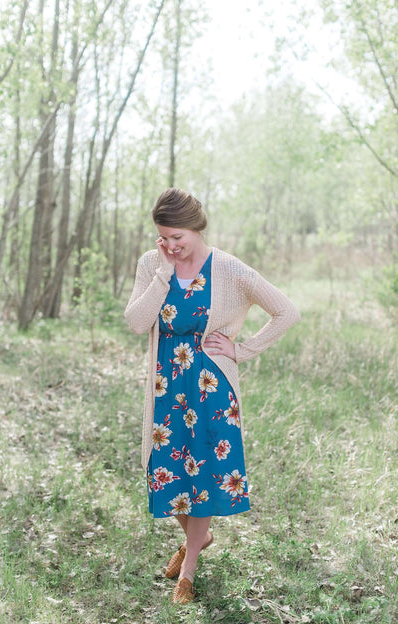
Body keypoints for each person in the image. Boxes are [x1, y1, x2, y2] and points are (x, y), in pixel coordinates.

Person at [124, 188, 300, 604]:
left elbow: (287, 311)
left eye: (177, 238)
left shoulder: (229, 268)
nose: (170, 245)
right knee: (165, 468)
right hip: (166, 387)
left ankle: (188, 571)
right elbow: (136, 322)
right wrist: (165, 272)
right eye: (163, 237)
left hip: (210, 389)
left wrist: (243, 349)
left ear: (197, 229)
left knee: (201, 473)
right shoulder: (152, 264)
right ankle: (197, 539)